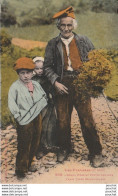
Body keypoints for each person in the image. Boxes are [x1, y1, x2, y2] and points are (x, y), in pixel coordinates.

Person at [44, 6, 104, 167]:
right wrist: (55, 82)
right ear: (58, 26)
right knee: (62, 120)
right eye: (62, 25)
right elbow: (47, 67)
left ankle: (96, 152)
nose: (66, 28)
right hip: (61, 84)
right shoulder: (52, 44)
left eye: (69, 25)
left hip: (81, 83)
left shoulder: (84, 41)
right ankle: (64, 148)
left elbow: (95, 61)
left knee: (87, 120)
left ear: (74, 26)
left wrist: (96, 79)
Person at [8, 57, 47, 178]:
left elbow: (43, 96)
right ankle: (20, 169)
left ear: (32, 72)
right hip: (24, 119)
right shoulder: (15, 87)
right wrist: (17, 116)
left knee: (35, 139)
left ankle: (29, 163)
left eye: (28, 73)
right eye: (22, 73)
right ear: (18, 74)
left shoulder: (35, 84)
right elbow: (12, 103)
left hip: (36, 117)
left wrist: (39, 107)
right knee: (24, 142)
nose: (26, 76)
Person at [32, 56, 57, 159]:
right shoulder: (32, 80)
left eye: (41, 68)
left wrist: (51, 95)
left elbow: (51, 89)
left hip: (48, 104)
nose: (39, 71)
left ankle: (51, 144)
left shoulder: (47, 78)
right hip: (38, 106)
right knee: (40, 125)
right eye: (37, 69)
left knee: (50, 124)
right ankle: (40, 147)